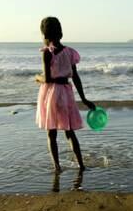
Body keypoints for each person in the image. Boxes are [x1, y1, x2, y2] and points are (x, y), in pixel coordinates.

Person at [35, 16, 95, 172]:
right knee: (69, 132)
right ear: (60, 34)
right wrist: (84, 99)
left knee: (51, 132)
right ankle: (81, 165)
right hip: (66, 93)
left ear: (44, 35)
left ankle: (57, 166)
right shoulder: (69, 52)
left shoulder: (47, 53)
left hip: (51, 94)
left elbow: (47, 79)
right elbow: (75, 77)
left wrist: (37, 77)